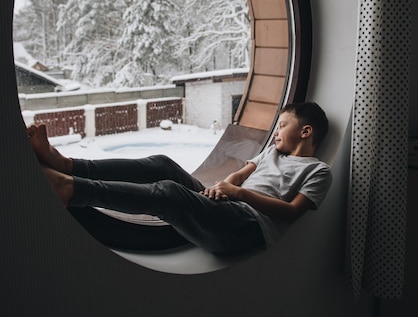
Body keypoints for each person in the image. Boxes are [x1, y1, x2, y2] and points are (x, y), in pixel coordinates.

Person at [27, 102, 332, 255]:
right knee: (162, 165)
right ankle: (69, 165)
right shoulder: (271, 154)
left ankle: (71, 189)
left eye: (282, 125)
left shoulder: (318, 171)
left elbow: (292, 212)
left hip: (246, 229)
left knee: (170, 193)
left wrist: (237, 194)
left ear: (306, 132)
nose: (276, 132)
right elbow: (241, 174)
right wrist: (220, 188)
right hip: (227, 207)